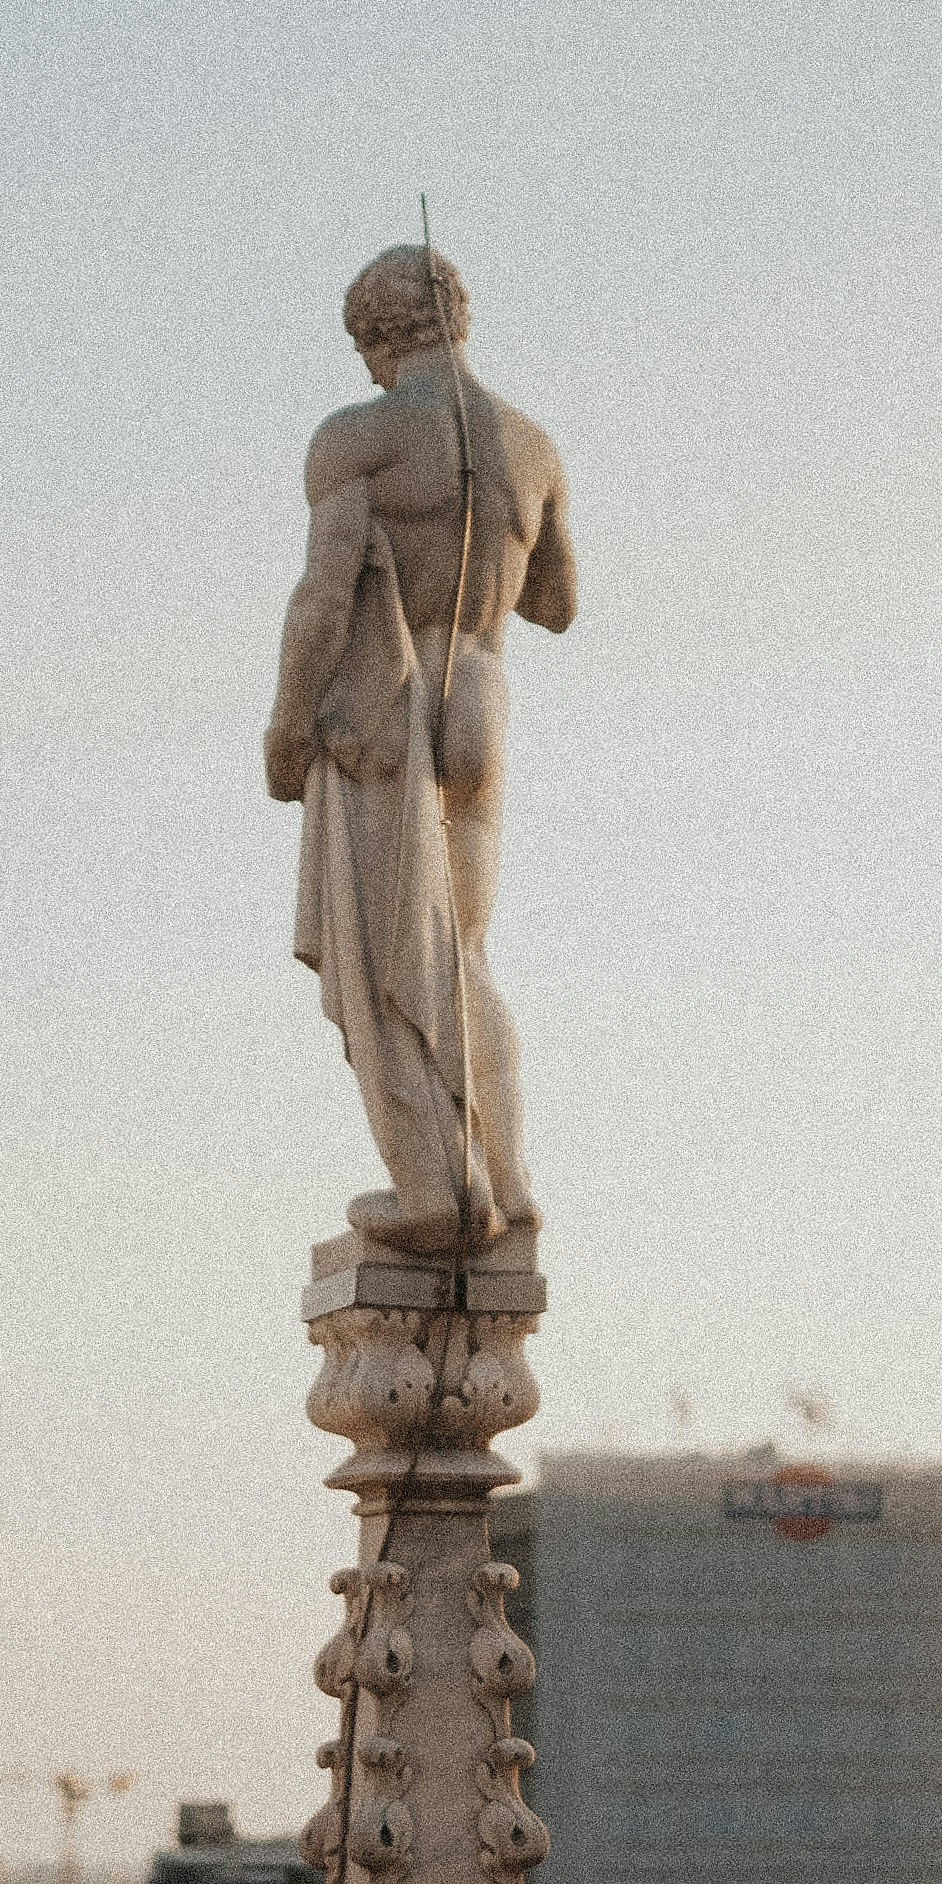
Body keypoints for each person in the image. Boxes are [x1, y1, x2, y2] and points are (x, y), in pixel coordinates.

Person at [265, 244, 578, 1248]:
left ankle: (431, 1192)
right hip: (481, 701)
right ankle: (506, 1177)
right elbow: (558, 606)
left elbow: (321, 597)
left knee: (385, 954)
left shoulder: (358, 437)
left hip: (384, 713)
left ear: (374, 335)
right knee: (466, 953)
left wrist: (284, 723)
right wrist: (487, 534)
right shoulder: (532, 447)